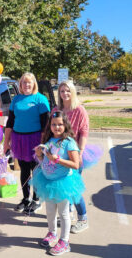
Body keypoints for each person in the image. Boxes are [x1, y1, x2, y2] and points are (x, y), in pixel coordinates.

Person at [32, 111, 85, 256]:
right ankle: (52, 233)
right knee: (50, 211)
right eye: (54, 124)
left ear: (65, 125)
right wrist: (39, 155)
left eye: (60, 124)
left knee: (63, 213)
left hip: (62, 183)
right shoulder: (49, 140)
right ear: (50, 126)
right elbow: (44, 162)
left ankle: (65, 241)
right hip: (47, 181)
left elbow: (75, 164)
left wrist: (57, 160)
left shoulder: (69, 142)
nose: (57, 127)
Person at [4, 72, 50, 214]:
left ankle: (36, 200)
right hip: (19, 139)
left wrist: (42, 144)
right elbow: (10, 122)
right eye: (24, 82)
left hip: (35, 139)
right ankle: (26, 199)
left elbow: (45, 124)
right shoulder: (16, 100)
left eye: (29, 82)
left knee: (36, 170)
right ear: (20, 85)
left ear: (34, 84)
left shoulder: (40, 99)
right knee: (24, 170)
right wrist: (6, 141)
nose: (27, 85)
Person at [52, 80, 89, 234]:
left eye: (67, 90)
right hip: (59, 156)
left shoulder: (79, 110)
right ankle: (68, 212)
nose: (65, 94)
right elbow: (52, 129)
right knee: (62, 187)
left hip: (74, 156)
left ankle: (83, 219)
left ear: (72, 92)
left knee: (73, 190)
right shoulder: (56, 109)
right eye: (62, 91)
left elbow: (84, 132)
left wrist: (79, 153)